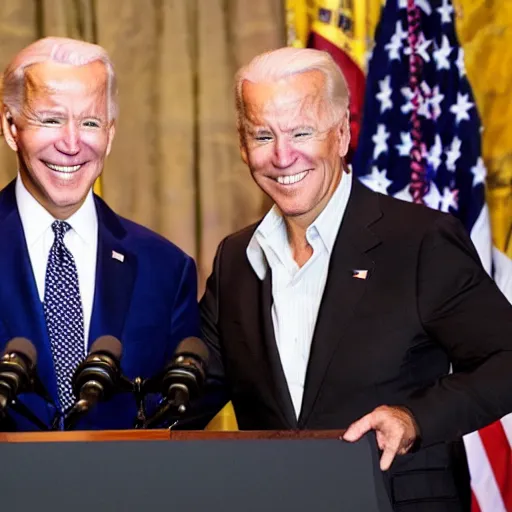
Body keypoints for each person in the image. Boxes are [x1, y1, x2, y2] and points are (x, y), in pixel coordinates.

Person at [199, 47, 512, 511]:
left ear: (342, 133)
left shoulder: (420, 242)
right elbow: (192, 390)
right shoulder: (235, 260)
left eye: (301, 131)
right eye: (263, 135)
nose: (283, 156)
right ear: (243, 146)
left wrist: (413, 418)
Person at [0, 37, 200, 430]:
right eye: (51, 120)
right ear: (11, 127)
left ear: (109, 134)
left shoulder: (165, 269)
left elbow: (178, 427)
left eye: (90, 123)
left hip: (124, 491)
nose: (72, 144)